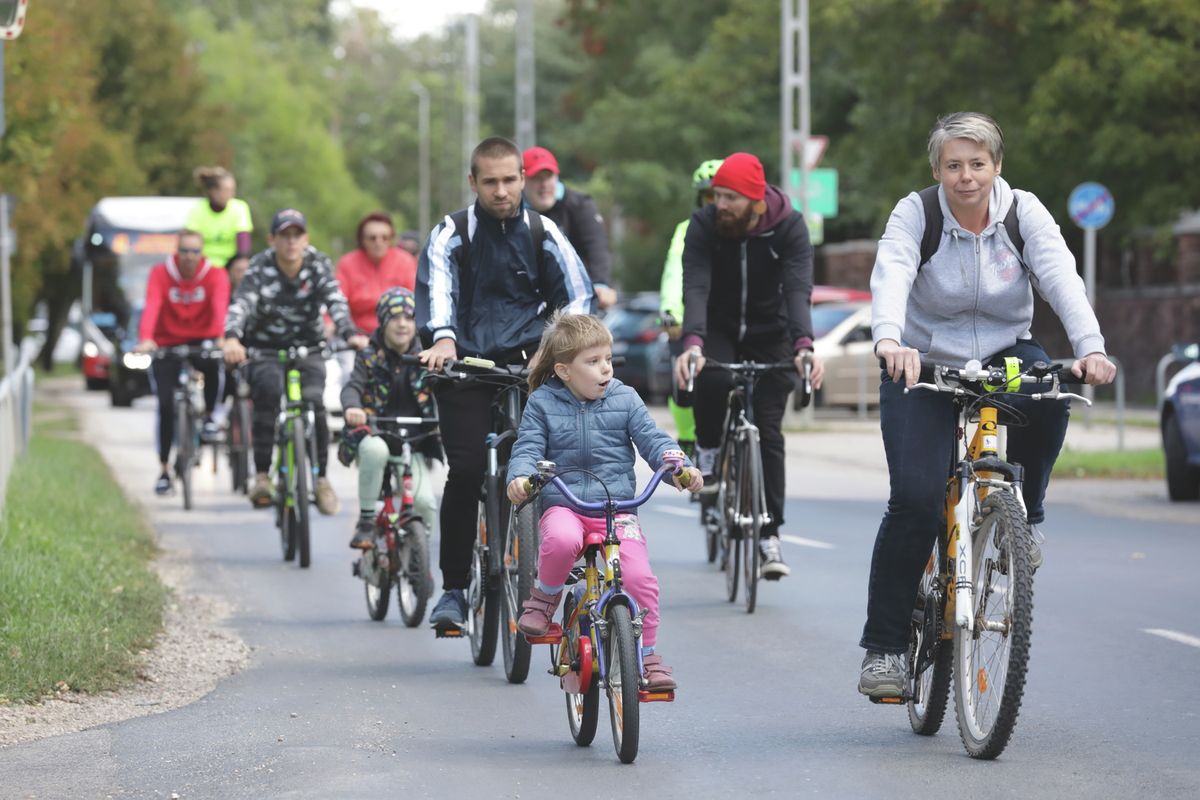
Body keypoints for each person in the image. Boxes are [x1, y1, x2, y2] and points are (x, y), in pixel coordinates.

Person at [857, 112, 1117, 699]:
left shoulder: (1024, 212)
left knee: (1051, 394)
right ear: (937, 170)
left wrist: (1092, 348)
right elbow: (892, 271)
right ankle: (886, 649)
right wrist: (889, 339)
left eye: (977, 164)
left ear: (997, 167)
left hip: (1004, 353)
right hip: (921, 360)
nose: (966, 176)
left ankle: (1027, 516)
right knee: (916, 501)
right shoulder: (916, 213)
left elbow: (1060, 277)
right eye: (954, 165)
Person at [416, 135, 595, 632]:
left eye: (509, 180)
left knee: (552, 466)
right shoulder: (451, 232)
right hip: (464, 365)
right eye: (490, 181)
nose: (501, 191)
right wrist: (445, 340)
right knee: (468, 469)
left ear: (523, 179)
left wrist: (554, 348)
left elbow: (578, 295)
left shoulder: (544, 232)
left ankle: (565, 558)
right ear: (473, 183)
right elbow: (437, 289)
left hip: (528, 364)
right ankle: (453, 590)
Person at [506, 312, 703, 691]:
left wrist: (679, 466)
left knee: (640, 578)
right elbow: (528, 446)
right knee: (561, 541)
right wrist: (520, 477)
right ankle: (545, 598)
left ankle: (646, 656)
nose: (605, 369)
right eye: (593, 362)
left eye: (608, 359)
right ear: (564, 370)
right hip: (564, 502)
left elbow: (652, 439)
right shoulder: (543, 403)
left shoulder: (625, 399)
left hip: (615, 510)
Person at [671, 152, 826, 581]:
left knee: (770, 430)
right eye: (717, 195)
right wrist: (694, 342)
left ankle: (769, 534)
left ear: (756, 201)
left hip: (771, 330)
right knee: (710, 375)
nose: (720, 204)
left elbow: (798, 288)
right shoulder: (705, 226)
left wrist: (803, 344)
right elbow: (696, 285)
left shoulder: (789, 227)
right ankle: (708, 449)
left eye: (730, 198)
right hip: (718, 328)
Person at [223, 209, 369, 513]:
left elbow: (335, 299)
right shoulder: (259, 267)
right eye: (284, 236)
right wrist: (233, 337)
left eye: (296, 235)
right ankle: (262, 475)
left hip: (309, 347)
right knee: (267, 395)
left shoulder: (317, 263)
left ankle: (321, 480)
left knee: (314, 403)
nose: (291, 242)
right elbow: (242, 303)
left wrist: (349, 332)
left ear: (306, 239)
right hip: (264, 348)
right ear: (272, 239)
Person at [339, 287, 441, 550]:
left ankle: (418, 557)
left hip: (414, 441)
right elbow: (352, 387)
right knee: (374, 450)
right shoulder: (369, 356)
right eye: (394, 317)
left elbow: (442, 391)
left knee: (425, 503)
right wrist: (353, 407)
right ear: (383, 322)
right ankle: (366, 521)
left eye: (409, 318)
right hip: (376, 433)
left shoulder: (426, 358)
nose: (402, 324)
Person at [135, 230, 230, 495]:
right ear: (177, 251)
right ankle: (164, 470)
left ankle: (210, 416)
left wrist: (222, 337)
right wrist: (146, 338)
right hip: (166, 342)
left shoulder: (215, 274)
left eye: (195, 251)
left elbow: (220, 306)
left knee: (213, 365)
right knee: (165, 404)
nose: (190, 257)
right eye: (185, 251)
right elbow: (152, 305)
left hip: (203, 339)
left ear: (202, 253)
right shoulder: (160, 273)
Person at [659, 159, 723, 454]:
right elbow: (675, 272)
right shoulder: (687, 229)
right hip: (690, 318)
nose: (716, 203)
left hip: (725, 320)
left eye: (720, 194)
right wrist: (671, 311)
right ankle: (687, 435)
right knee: (683, 381)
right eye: (709, 196)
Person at [522, 146, 617, 309]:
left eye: (549, 176)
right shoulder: (513, 212)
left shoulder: (579, 205)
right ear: (522, 181)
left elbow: (596, 248)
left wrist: (600, 284)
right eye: (537, 178)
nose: (544, 184)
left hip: (577, 296)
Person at [335, 212, 418, 335]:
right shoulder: (347, 263)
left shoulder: (406, 262)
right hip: (357, 335)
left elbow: (417, 301)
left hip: (399, 334)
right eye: (372, 238)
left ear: (391, 239)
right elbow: (337, 301)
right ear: (362, 240)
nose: (378, 242)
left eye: (384, 237)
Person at [186, 166, 253, 276]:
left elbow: (244, 246)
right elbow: (190, 242)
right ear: (213, 191)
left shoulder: (239, 207)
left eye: (232, 190)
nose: (232, 194)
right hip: (203, 264)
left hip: (230, 264)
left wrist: (240, 261)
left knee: (243, 266)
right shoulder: (197, 209)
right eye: (226, 190)